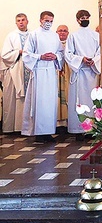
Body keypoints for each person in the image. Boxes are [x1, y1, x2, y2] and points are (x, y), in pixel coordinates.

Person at [22, 11, 64, 143]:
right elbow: (26, 54)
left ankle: (48, 131)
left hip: (51, 71)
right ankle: (39, 133)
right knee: (40, 102)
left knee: (50, 102)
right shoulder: (34, 35)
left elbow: (60, 52)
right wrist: (40, 56)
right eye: (46, 21)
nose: (48, 24)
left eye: (51, 21)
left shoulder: (54, 36)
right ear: (40, 20)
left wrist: (56, 56)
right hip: (39, 71)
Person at [65, 10, 101, 138]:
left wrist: (94, 61)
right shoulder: (73, 36)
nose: (85, 19)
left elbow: (100, 52)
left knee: (91, 101)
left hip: (91, 72)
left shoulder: (96, 35)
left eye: (87, 17)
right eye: (82, 17)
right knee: (78, 101)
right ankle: (78, 130)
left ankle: (92, 129)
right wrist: (81, 59)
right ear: (77, 20)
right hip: (79, 71)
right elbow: (68, 54)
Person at [0, 13, 30, 133]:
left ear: (27, 21)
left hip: (29, 70)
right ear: (16, 23)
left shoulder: (32, 35)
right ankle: (12, 128)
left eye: (23, 20)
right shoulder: (11, 36)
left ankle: (27, 127)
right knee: (13, 100)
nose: (21, 22)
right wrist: (19, 52)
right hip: (15, 70)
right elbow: (5, 55)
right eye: (18, 20)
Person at [56, 24, 69, 130]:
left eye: (65, 31)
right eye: (60, 31)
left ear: (68, 33)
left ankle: (66, 122)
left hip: (68, 74)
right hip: (55, 73)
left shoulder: (71, 43)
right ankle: (57, 124)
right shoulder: (53, 43)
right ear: (56, 32)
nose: (62, 32)